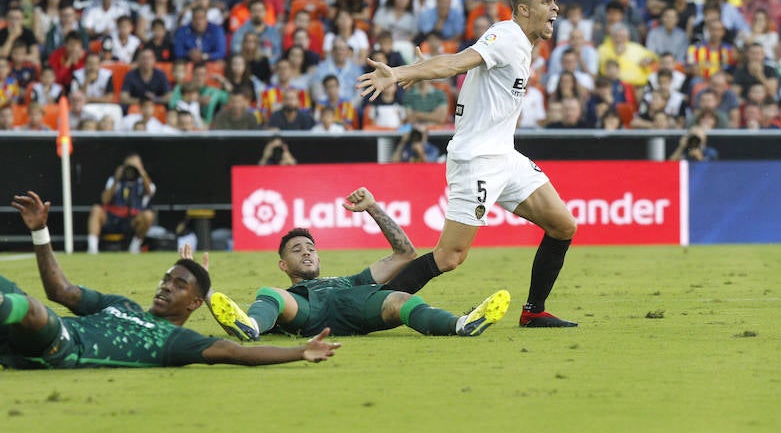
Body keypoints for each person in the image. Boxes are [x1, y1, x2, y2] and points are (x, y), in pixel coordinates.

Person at [357, 0, 578, 328]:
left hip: (505, 156)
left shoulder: (520, 44)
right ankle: (367, 308)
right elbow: (459, 62)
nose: (554, 9)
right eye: (546, 1)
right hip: (477, 160)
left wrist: (421, 68)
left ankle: (533, 311)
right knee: (449, 256)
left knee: (562, 225)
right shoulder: (506, 35)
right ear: (523, 10)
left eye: (555, 1)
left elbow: (462, 68)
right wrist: (398, 73)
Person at [2, 191, 340, 369]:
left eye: (179, 285)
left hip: (58, 346)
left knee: (30, 309)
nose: (167, 286)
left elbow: (236, 352)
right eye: (167, 279)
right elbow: (59, 291)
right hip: (30, 337)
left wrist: (299, 352)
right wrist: (40, 232)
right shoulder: (122, 305)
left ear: (195, 303)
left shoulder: (174, 341)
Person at [207, 188, 510, 341]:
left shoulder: (352, 281)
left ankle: (461, 325)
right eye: (296, 250)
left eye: (310, 248)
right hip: (307, 311)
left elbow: (405, 253)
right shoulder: (291, 298)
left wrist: (374, 209)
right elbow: (267, 301)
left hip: (356, 304)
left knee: (399, 300)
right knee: (269, 292)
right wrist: (206, 292)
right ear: (283, 264)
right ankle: (252, 326)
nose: (306, 252)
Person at [86, 153, 155, 255]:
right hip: (113, 218)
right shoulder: (115, 180)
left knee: (149, 216)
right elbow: (104, 200)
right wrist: (116, 179)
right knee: (96, 209)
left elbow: (150, 191)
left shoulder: (142, 182)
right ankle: (92, 248)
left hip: (132, 220)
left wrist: (142, 174)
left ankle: (135, 246)